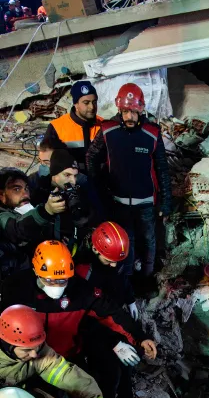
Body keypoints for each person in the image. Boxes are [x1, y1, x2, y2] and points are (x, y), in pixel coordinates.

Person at [0, 242, 157, 398]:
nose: (57, 287)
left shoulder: (81, 290)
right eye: (51, 281)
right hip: (34, 359)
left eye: (63, 281)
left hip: (70, 354)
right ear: (35, 271)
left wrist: (139, 337)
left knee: (83, 393)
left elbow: (111, 312)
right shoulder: (16, 289)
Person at [0, 304, 140, 398]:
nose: (34, 354)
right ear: (8, 346)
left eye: (37, 347)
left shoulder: (38, 353)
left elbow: (70, 377)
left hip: (25, 392)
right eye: (27, 350)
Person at [86, 83, 172, 281]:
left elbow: (162, 168)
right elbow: (91, 157)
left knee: (150, 240)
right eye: (125, 111)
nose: (129, 117)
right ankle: (128, 281)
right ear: (119, 109)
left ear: (141, 110)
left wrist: (166, 202)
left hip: (146, 202)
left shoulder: (152, 133)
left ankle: (147, 278)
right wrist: (98, 186)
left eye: (133, 112)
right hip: (119, 202)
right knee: (127, 241)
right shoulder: (108, 130)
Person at [29, 149, 98, 253]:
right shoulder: (37, 191)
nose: (73, 181)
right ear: (54, 174)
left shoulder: (80, 191)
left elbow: (88, 222)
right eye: (67, 175)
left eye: (75, 175)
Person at [0, 168, 63, 279]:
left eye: (26, 188)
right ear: (2, 196)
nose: (25, 194)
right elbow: (18, 229)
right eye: (16, 189)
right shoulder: (2, 216)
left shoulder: (25, 206)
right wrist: (46, 211)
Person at [75, 221, 136, 318]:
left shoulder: (116, 253)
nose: (114, 265)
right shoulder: (83, 271)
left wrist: (130, 300)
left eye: (117, 261)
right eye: (109, 261)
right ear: (95, 249)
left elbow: (122, 279)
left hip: (115, 306)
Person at [43, 81, 102, 173]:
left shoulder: (104, 125)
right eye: (86, 103)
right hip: (72, 181)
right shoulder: (56, 127)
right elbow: (47, 160)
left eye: (94, 102)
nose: (92, 107)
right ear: (76, 104)